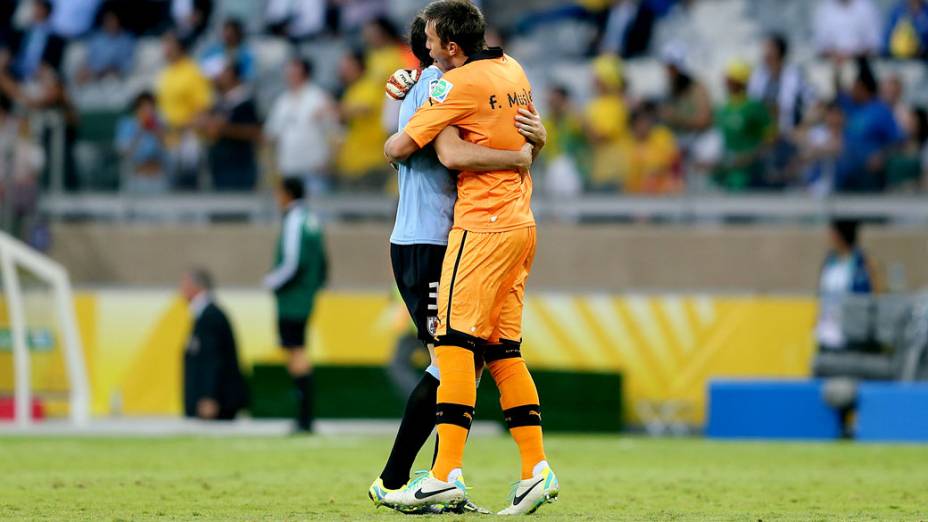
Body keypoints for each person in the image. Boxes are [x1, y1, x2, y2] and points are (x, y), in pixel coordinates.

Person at [382, 1, 558, 515]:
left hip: (478, 230)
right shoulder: (512, 70)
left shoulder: (452, 86)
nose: (430, 49)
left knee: (455, 347)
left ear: (451, 47)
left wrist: (414, 97)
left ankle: (440, 476)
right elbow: (526, 134)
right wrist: (528, 152)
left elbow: (415, 150)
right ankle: (535, 470)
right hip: (521, 224)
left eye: (433, 42)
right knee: (500, 351)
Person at [263, 178, 328, 432]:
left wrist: (271, 282)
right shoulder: (312, 220)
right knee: (298, 351)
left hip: (292, 299)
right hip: (305, 296)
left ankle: (304, 417)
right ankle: (305, 417)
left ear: (287, 194)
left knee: (296, 353)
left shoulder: (294, 220)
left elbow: (292, 262)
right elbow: (322, 263)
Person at [180, 268, 249, 421]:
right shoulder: (204, 314)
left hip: (216, 402)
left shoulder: (210, 315)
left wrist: (209, 396)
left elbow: (212, 359)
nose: (181, 289)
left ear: (196, 287)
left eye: (184, 284)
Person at [264, 58, 336, 197]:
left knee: (318, 209)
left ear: (304, 73)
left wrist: (329, 160)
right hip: (288, 167)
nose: (289, 75)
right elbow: (271, 134)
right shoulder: (282, 101)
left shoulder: (319, 97)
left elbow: (333, 131)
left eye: (294, 71)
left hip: (314, 167)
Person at [834, 58, 904, 192]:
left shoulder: (881, 110)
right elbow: (838, 91)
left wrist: (882, 156)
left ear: (863, 88)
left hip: (869, 173)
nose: (852, 90)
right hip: (846, 170)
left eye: (855, 87)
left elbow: (898, 141)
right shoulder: (851, 106)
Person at [156, 31, 212, 189]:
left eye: (169, 45)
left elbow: (203, 108)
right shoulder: (166, 73)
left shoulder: (192, 71)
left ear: (180, 48)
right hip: (169, 137)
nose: (165, 49)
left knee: (189, 183)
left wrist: (183, 126)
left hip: (188, 137)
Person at [815, 220, 880, 352]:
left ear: (839, 235)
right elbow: (821, 293)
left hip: (853, 332)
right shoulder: (829, 261)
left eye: (832, 234)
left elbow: (876, 295)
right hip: (827, 332)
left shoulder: (863, 262)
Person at [713, 60, 775, 191]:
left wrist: (751, 156)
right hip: (727, 170)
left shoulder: (753, 107)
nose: (726, 82)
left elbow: (771, 138)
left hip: (749, 173)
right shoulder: (723, 108)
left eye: (730, 79)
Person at [199, 62, 261, 191]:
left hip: (239, 166)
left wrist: (223, 128)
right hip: (220, 165)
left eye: (223, 74)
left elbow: (254, 131)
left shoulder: (246, 102)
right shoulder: (219, 102)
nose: (219, 77)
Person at [335, 50, 389, 190]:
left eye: (347, 66)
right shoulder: (352, 89)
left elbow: (365, 108)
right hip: (353, 162)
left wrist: (338, 109)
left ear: (358, 65)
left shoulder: (371, 85)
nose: (343, 70)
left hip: (370, 161)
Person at [748, 33, 815, 136]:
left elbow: (813, 103)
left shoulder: (794, 74)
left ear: (778, 51)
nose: (764, 52)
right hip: (764, 134)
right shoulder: (758, 76)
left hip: (790, 132)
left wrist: (803, 127)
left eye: (768, 48)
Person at [583, 54, 627, 192]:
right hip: (597, 172)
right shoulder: (595, 104)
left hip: (613, 173)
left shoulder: (616, 105)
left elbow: (600, 137)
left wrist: (583, 124)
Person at [619, 101, 680, 194]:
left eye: (647, 122)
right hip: (635, 195)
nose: (645, 126)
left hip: (663, 192)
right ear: (632, 126)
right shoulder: (625, 145)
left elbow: (674, 163)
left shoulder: (662, 136)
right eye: (641, 123)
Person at [115, 91, 168, 194]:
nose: (147, 112)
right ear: (137, 109)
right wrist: (140, 130)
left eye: (151, 108)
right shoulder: (126, 125)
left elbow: (167, 152)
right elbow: (124, 152)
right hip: (136, 178)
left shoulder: (159, 126)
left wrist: (157, 132)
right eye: (144, 108)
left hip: (157, 177)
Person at [8, 0, 65, 81]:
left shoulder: (56, 40)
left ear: (47, 11)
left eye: (40, 8)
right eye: (36, 7)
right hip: (14, 70)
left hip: (39, 77)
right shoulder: (21, 31)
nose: (36, 11)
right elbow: (10, 52)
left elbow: (52, 65)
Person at [77, 8, 136, 84]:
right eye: (107, 20)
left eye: (113, 20)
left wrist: (115, 70)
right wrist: (99, 70)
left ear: (118, 21)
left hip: (119, 78)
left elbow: (129, 63)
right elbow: (91, 61)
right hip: (97, 76)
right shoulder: (96, 39)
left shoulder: (127, 40)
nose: (110, 23)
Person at [814, 0, 882, 59]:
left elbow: (874, 43)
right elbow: (820, 44)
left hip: (861, 61)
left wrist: (853, 54)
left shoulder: (866, 7)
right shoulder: (824, 9)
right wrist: (837, 55)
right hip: (831, 62)